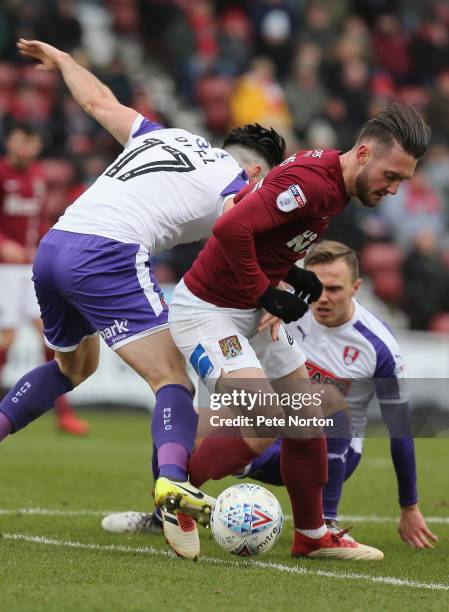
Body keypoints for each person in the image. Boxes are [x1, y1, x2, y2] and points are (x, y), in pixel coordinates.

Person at [0, 39, 287, 561]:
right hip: (110, 254)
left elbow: (98, 102)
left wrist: (66, 62)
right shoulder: (240, 185)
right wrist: (276, 289)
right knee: (172, 379)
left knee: (74, 367)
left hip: (55, 245)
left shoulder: (165, 135)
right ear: (260, 173)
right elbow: (262, 229)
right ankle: (171, 484)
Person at [162, 103, 430, 560]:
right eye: (391, 176)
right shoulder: (313, 184)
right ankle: (175, 497)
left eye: (402, 181)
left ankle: (311, 535)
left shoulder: (332, 185)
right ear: (364, 153)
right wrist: (266, 293)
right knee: (267, 417)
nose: (393, 188)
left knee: (307, 421)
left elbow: (267, 232)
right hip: (208, 310)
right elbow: (230, 229)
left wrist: (290, 273)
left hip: (246, 305)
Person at [104, 241, 438, 550]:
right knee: (179, 420)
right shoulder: (285, 309)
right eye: (317, 289)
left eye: (335, 290)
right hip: (268, 432)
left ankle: (325, 520)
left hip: (329, 450)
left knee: (321, 396)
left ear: (356, 288)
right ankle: (169, 511)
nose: (323, 299)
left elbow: (400, 430)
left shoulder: (378, 345)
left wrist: (409, 507)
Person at [0, 121, 88, 436]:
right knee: (7, 337)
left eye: (33, 142)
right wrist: (0, 244)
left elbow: (39, 219)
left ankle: (62, 412)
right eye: (22, 140)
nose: (27, 147)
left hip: (28, 266)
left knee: (49, 335)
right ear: (9, 141)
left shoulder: (37, 176)